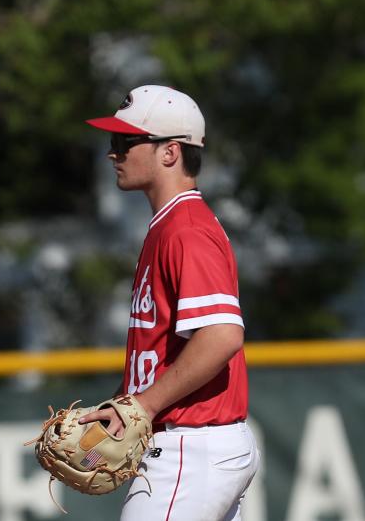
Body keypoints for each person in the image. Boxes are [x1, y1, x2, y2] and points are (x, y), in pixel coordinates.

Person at [78, 85, 260, 520]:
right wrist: (123, 408)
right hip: (188, 446)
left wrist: (142, 405)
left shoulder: (186, 229)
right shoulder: (169, 227)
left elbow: (222, 335)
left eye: (125, 142)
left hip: (190, 447)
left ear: (170, 152)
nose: (113, 153)